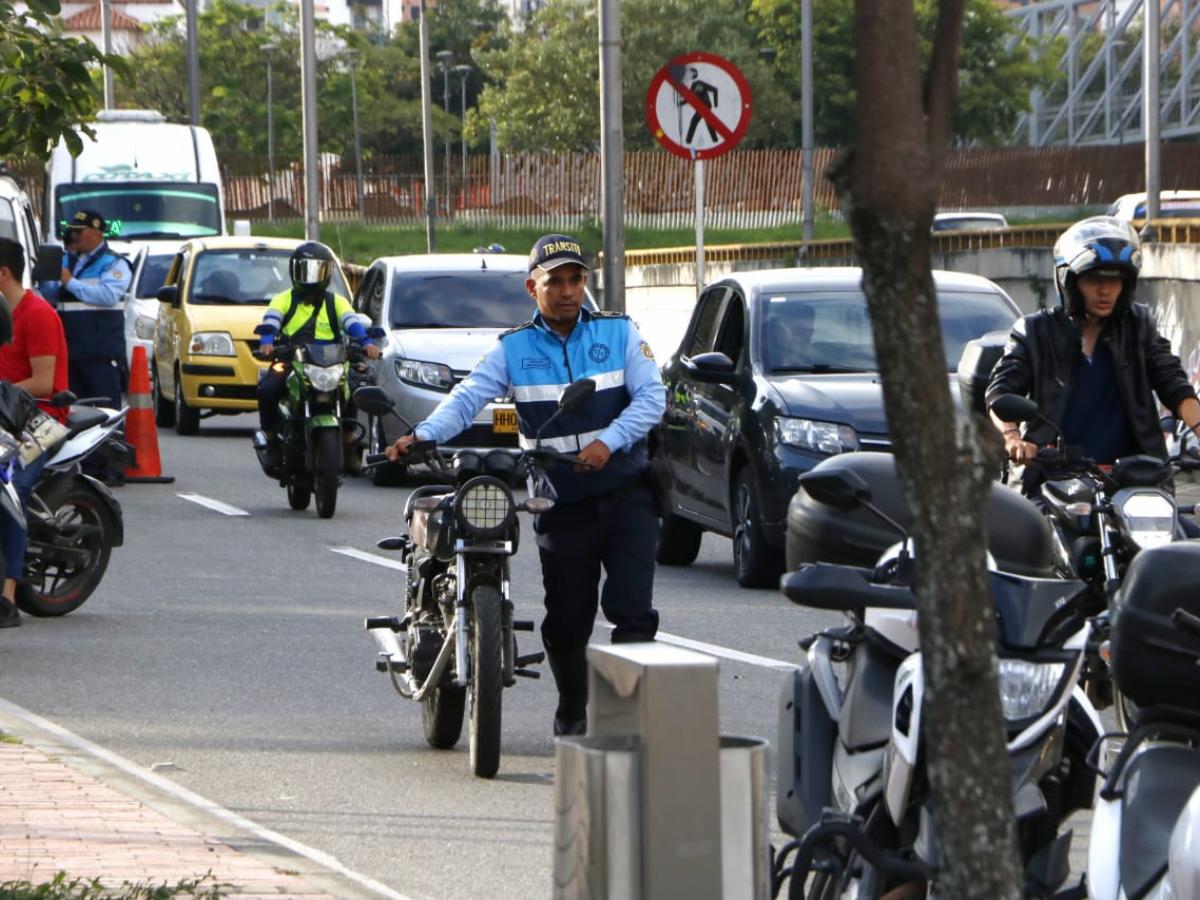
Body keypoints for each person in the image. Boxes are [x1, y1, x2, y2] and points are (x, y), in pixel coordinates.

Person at [385, 233, 667, 736]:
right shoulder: (513, 348)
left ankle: (628, 721)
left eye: (575, 280)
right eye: (553, 281)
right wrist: (422, 434)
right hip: (560, 499)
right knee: (566, 623)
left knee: (633, 612)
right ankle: (573, 708)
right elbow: (468, 396)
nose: (566, 291)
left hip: (627, 491)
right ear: (531, 289)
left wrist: (609, 442)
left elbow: (651, 399)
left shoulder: (620, 333)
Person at [986, 216, 1200, 501]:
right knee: (1032, 541)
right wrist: (1013, 439)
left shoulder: (1139, 327)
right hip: (1053, 481)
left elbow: (1174, 384)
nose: (1106, 290)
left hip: (1136, 483)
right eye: (1094, 279)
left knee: (1179, 541)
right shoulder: (1036, 332)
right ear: (1070, 281)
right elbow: (1000, 392)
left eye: (1115, 281)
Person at [255, 241, 379, 475]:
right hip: (293, 360)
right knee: (268, 389)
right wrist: (267, 343)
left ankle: (348, 443)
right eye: (305, 270)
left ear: (327, 273)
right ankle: (271, 439)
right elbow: (271, 322)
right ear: (294, 271)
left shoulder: (337, 302)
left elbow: (352, 324)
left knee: (354, 386)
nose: (310, 278)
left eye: (316, 271)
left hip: (331, 362)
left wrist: (367, 344)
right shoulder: (282, 300)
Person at [0, 238, 70, 629]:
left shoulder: (38, 315)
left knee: (9, 489)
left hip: (40, 419)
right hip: (3, 414)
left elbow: (43, 382)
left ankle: (8, 595)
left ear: (4, 273)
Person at [38, 209, 128, 411]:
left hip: (101, 352)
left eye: (80, 231)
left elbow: (108, 296)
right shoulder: (66, 260)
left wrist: (69, 282)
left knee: (108, 411)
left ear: (96, 232)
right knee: (72, 411)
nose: (75, 236)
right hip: (69, 352)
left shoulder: (114, 263)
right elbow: (51, 297)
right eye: (73, 231)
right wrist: (45, 279)